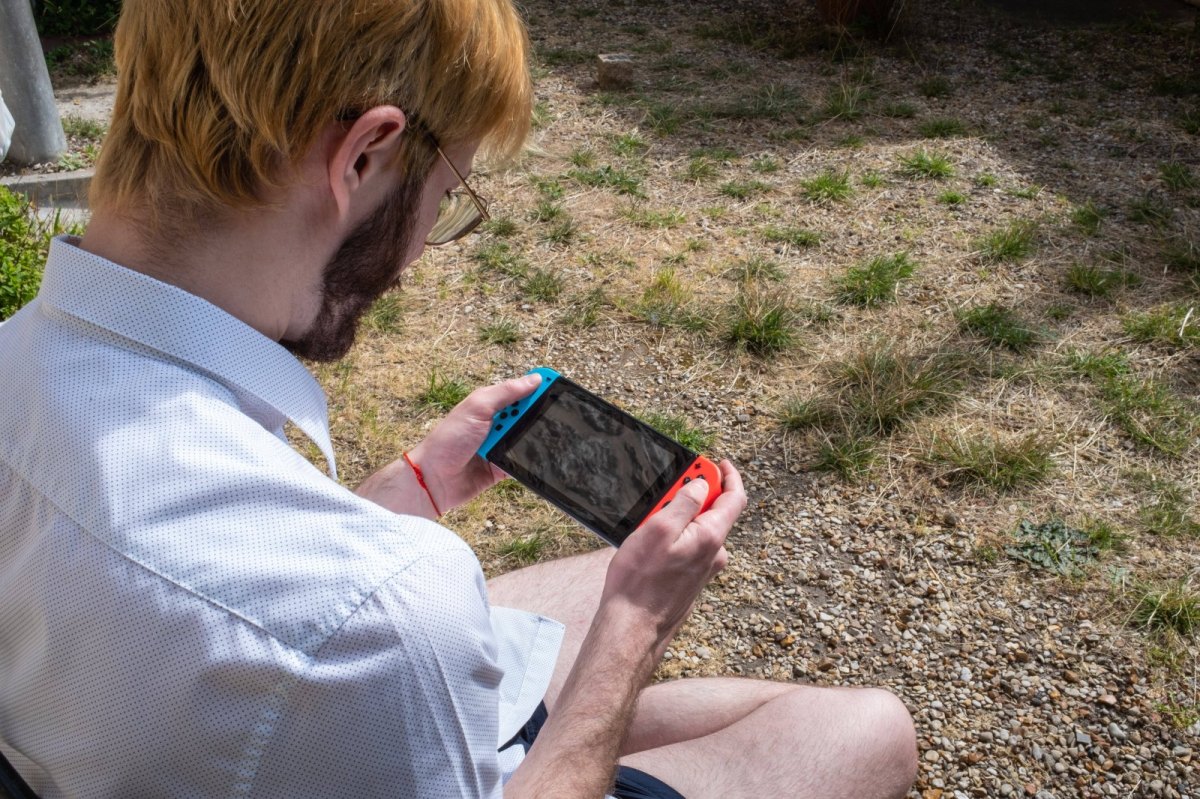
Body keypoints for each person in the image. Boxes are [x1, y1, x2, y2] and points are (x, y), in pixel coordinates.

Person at [0, 0, 918, 796]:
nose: (419, 249)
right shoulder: (383, 611)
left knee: (609, 570)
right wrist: (635, 633)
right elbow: (337, 622)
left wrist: (411, 490)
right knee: (869, 727)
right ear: (365, 154)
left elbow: (223, 607)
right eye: (445, 196)